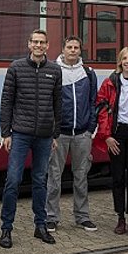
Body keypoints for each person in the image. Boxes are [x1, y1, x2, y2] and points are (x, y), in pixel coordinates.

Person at [0, 29, 63, 249]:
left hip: (44, 136)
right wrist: (5, 133)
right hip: (20, 133)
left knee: (39, 181)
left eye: (42, 42)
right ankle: (6, 228)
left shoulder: (54, 70)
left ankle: (40, 225)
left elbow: (57, 104)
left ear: (47, 45)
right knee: (13, 180)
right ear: (29, 44)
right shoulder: (16, 68)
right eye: (34, 42)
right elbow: (6, 101)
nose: (38, 45)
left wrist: (55, 133)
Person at [45, 36, 98, 233]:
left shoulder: (88, 73)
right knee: (54, 177)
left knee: (81, 177)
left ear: (80, 50)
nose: (73, 51)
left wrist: (91, 128)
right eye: (69, 47)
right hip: (59, 135)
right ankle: (51, 217)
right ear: (63, 49)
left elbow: (94, 102)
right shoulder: (53, 70)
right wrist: (52, 132)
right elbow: (48, 103)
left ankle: (82, 217)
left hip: (82, 133)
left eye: (76, 47)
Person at [94, 47, 128, 236]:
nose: (127, 61)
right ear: (120, 61)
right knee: (118, 178)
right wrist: (106, 136)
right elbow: (101, 109)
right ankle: (120, 218)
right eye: (124, 58)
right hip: (116, 134)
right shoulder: (110, 82)